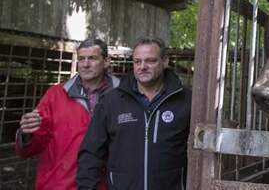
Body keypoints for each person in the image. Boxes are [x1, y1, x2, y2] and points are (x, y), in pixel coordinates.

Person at [77, 37, 191, 190]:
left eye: (150, 61)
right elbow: (91, 153)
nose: (142, 67)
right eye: (137, 61)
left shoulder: (185, 100)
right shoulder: (112, 101)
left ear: (165, 62)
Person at [15, 38, 119, 190]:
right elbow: (33, 146)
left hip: (108, 184)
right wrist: (27, 134)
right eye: (81, 59)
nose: (85, 64)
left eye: (92, 58)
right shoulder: (55, 94)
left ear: (106, 61)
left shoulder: (123, 96)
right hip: (61, 183)